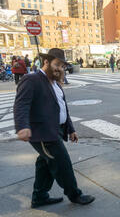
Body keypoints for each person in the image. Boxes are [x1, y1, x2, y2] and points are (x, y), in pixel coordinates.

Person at [13, 48, 95, 208]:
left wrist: (71, 129)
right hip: (43, 133)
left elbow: (62, 108)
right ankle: (75, 195)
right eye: (57, 64)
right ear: (46, 62)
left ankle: (39, 197)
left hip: (55, 130)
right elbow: (21, 104)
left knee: (45, 163)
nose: (60, 69)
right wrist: (22, 126)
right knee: (62, 163)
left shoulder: (55, 84)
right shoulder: (32, 80)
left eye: (63, 66)